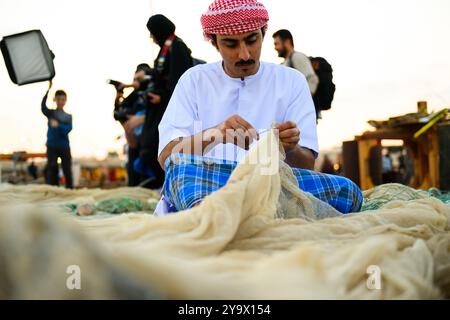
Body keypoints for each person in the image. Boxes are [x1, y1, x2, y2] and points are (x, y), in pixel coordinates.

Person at [156, 0, 362, 215]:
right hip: (210, 182)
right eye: (231, 44)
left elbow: (306, 164)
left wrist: (288, 147)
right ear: (215, 43)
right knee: (180, 173)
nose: (244, 54)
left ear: (263, 34)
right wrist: (216, 134)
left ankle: (231, 216)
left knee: (348, 191)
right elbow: (168, 158)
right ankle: (220, 218)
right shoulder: (194, 80)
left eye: (252, 40)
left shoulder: (292, 81)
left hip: (274, 183)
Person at [138, 14, 194, 189]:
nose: (151, 37)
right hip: (158, 107)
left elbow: (180, 81)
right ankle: (166, 185)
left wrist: (162, 96)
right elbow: (161, 75)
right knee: (148, 148)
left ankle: (171, 187)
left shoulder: (177, 48)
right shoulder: (166, 48)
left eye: (152, 32)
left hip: (169, 107)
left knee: (157, 148)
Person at [41, 81, 73, 189]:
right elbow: (43, 107)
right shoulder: (51, 113)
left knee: (67, 169)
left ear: (66, 101)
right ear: (55, 99)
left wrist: (58, 125)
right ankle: (53, 189)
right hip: (51, 146)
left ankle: (69, 190)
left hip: (64, 146)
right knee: (52, 168)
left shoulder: (68, 116)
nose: (60, 102)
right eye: (58, 99)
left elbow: (68, 129)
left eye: (63, 99)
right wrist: (48, 90)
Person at [272, 29, 319, 98]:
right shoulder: (283, 64)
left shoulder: (297, 57)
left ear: (287, 42)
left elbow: (312, 79)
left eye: (277, 44)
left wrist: (301, 102)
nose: (275, 48)